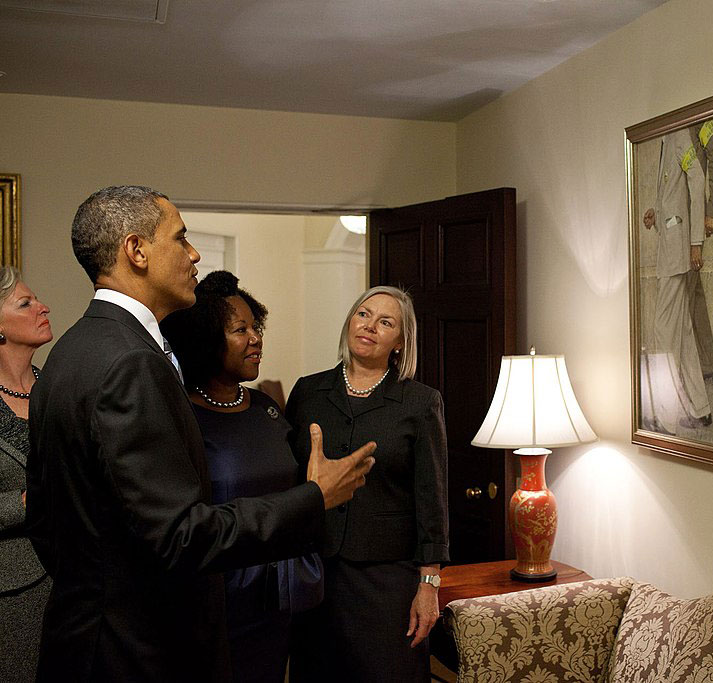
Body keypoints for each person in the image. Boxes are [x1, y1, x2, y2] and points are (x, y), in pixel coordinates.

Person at [26, 186, 376, 682]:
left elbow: (44, 519)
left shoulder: (69, 351)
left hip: (84, 639)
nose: (194, 255)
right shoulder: (131, 362)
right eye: (181, 238)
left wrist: (97, 587)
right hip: (136, 652)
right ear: (137, 250)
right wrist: (314, 497)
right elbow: (181, 536)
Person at [161, 270, 323, 683]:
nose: (256, 338)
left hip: (276, 599)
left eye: (256, 327)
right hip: (214, 601)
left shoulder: (266, 408)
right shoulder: (182, 414)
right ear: (205, 339)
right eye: (240, 329)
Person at [287, 286, 448, 683]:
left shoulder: (420, 402)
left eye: (385, 322)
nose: (370, 326)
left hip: (387, 581)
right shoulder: (309, 391)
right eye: (364, 314)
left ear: (400, 342)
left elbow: (432, 499)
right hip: (315, 572)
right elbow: (289, 478)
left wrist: (429, 585)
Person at [642, 120, 713, 431]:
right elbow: (674, 190)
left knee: (663, 332)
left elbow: (697, 177)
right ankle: (700, 409)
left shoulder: (676, 132)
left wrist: (695, 243)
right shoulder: (668, 135)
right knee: (685, 334)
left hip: (678, 251)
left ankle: (664, 416)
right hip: (673, 246)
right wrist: (656, 212)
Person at [0, 268, 52, 682]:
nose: (42, 307)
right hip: (10, 597)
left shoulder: (58, 385)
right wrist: (23, 501)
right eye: (25, 303)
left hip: (76, 584)